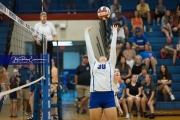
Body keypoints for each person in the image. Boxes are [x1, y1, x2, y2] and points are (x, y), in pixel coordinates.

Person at [84, 25, 118, 120]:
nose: (103, 56)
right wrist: (86, 32)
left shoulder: (110, 63)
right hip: (95, 95)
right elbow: (89, 47)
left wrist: (114, 32)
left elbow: (113, 48)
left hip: (108, 95)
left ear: (107, 59)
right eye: (101, 56)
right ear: (98, 59)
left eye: (104, 56)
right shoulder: (93, 63)